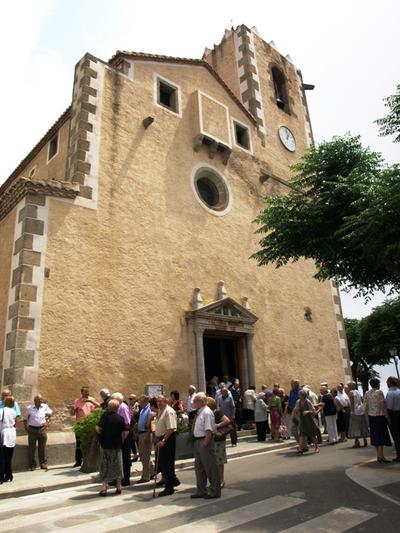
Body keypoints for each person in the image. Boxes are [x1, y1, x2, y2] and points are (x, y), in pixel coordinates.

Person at [191, 392, 220, 499]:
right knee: (199, 468)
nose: (193, 403)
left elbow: (209, 431)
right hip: (198, 441)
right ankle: (201, 490)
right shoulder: (200, 412)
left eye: (195, 401)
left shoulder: (207, 412)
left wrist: (205, 444)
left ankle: (214, 491)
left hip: (204, 441)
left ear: (202, 401)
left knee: (210, 467)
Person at [96, 399, 128, 496]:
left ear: (109, 407)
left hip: (105, 445)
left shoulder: (104, 417)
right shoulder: (121, 419)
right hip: (117, 445)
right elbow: (125, 432)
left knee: (104, 466)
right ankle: (119, 486)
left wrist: (101, 435)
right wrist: (121, 439)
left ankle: (104, 488)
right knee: (118, 466)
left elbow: (97, 428)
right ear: (117, 408)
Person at [154, 395, 180, 496]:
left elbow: (171, 428)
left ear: (166, 401)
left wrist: (163, 440)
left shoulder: (169, 411)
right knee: (163, 462)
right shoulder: (160, 410)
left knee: (167, 463)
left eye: (161, 401)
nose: (158, 403)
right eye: (157, 401)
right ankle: (174, 480)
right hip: (161, 438)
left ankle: (169, 487)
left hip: (168, 439)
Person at [364, 378, 392, 463]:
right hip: (380, 416)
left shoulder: (367, 393)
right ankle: (381, 456)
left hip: (371, 417)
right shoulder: (379, 392)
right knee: (381, 435)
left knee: (375, 435)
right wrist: (388, 417)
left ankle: (379, 455)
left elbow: (365, 405)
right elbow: (383, 405)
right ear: (377, 384)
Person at [71, 387, 100, 467]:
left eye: (88, 392)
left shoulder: (92, 399)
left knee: (91, 443)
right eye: (85, 392)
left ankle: (90, 460)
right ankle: (78, 461)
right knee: (79, 444)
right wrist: (72, 409)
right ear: (82, 393)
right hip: (81, 425)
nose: (87, 394)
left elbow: (99, 406)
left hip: (90, 425)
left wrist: (90, 401)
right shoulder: (77, 401)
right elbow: (72, 413)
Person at [24, 394, 53, 471]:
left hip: (42, 429)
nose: (41, 401)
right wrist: (26, 427)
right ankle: (32, 465)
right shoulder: (29, 408)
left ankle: (43, 464)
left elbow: (50, 414)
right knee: (32, 448)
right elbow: (25, 418)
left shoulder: (45, 406)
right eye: (39, 400)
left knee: (42, 447)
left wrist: (47, 421)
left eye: (41, 400)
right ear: (35, 401)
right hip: (32, 429)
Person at [208, 397, 231, 488]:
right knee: (212, 462)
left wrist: (217, 425)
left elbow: (227, 420)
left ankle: (221, 480)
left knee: (219, 461)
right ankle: (215, 480)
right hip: (211, 440)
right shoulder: (208, 413)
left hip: (218, 440)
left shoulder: (217, 412)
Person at [111, 392, 132, 486]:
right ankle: (117, 478)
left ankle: (125, 479)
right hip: (118, 437)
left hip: (124, 436)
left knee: (125, 458)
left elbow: (127, 424)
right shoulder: (117, 407)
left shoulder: (123, 407)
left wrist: (123, 439)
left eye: (113, 399)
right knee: (118, 459)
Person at [293, 389, 320, 454]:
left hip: (309, 420)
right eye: (299, 395)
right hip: (302, 420)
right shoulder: (298, 402)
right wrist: (295, 415)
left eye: (300, 395)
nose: (299, 396)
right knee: (301, 435)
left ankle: (316, 447)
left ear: (303, 395)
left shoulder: (308, 402)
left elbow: (314, 411)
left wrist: (308, 411)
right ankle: (300, 449)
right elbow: (296, 409)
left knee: (312, 435)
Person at [136, 395, 155, 483]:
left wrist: (148, 435)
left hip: (145, 434)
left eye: (141, 401)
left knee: (144, 456)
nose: (139, 402)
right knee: (145, 455)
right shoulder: (142, 410)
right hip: (141, 433)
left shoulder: (149, 410)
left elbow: (150, 424)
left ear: (146, 401)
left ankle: (145, 476)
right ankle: (152, 472)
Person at [0, 396, 18, 483]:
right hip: (12, 433)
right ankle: (9, 474)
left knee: (2, 456)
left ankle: (1, 476)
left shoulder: (2, 411)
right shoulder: (14, 411)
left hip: (5, 433)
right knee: (9, 456)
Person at [347, 381, 368, 448]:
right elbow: (362, 400)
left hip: (355, 411)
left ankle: (357, 441)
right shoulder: (358, 392)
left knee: (355, 426)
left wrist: (352, 412)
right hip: (360, 410)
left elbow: (352, 403)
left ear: (350, 386)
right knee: (362, 425)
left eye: (348, 386)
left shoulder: (350, 393)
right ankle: (365, 440)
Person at [386, 376, 400, 462]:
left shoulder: (390, 393)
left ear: (390, 383)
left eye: (387, 382)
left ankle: (399, 455)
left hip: (394, 415)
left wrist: (388, 419)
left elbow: (389, 407)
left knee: (397, 436)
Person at [128, 394, 140, 462]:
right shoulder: (128, 406)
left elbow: (136, 414)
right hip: (131, 426)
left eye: (131, 399)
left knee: (138, 441)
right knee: (132, 441)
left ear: (135, 399)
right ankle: (135, 455)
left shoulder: (138, 406)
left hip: (137, 425)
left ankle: (141, 454)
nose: (130, 400)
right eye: (129, 398)